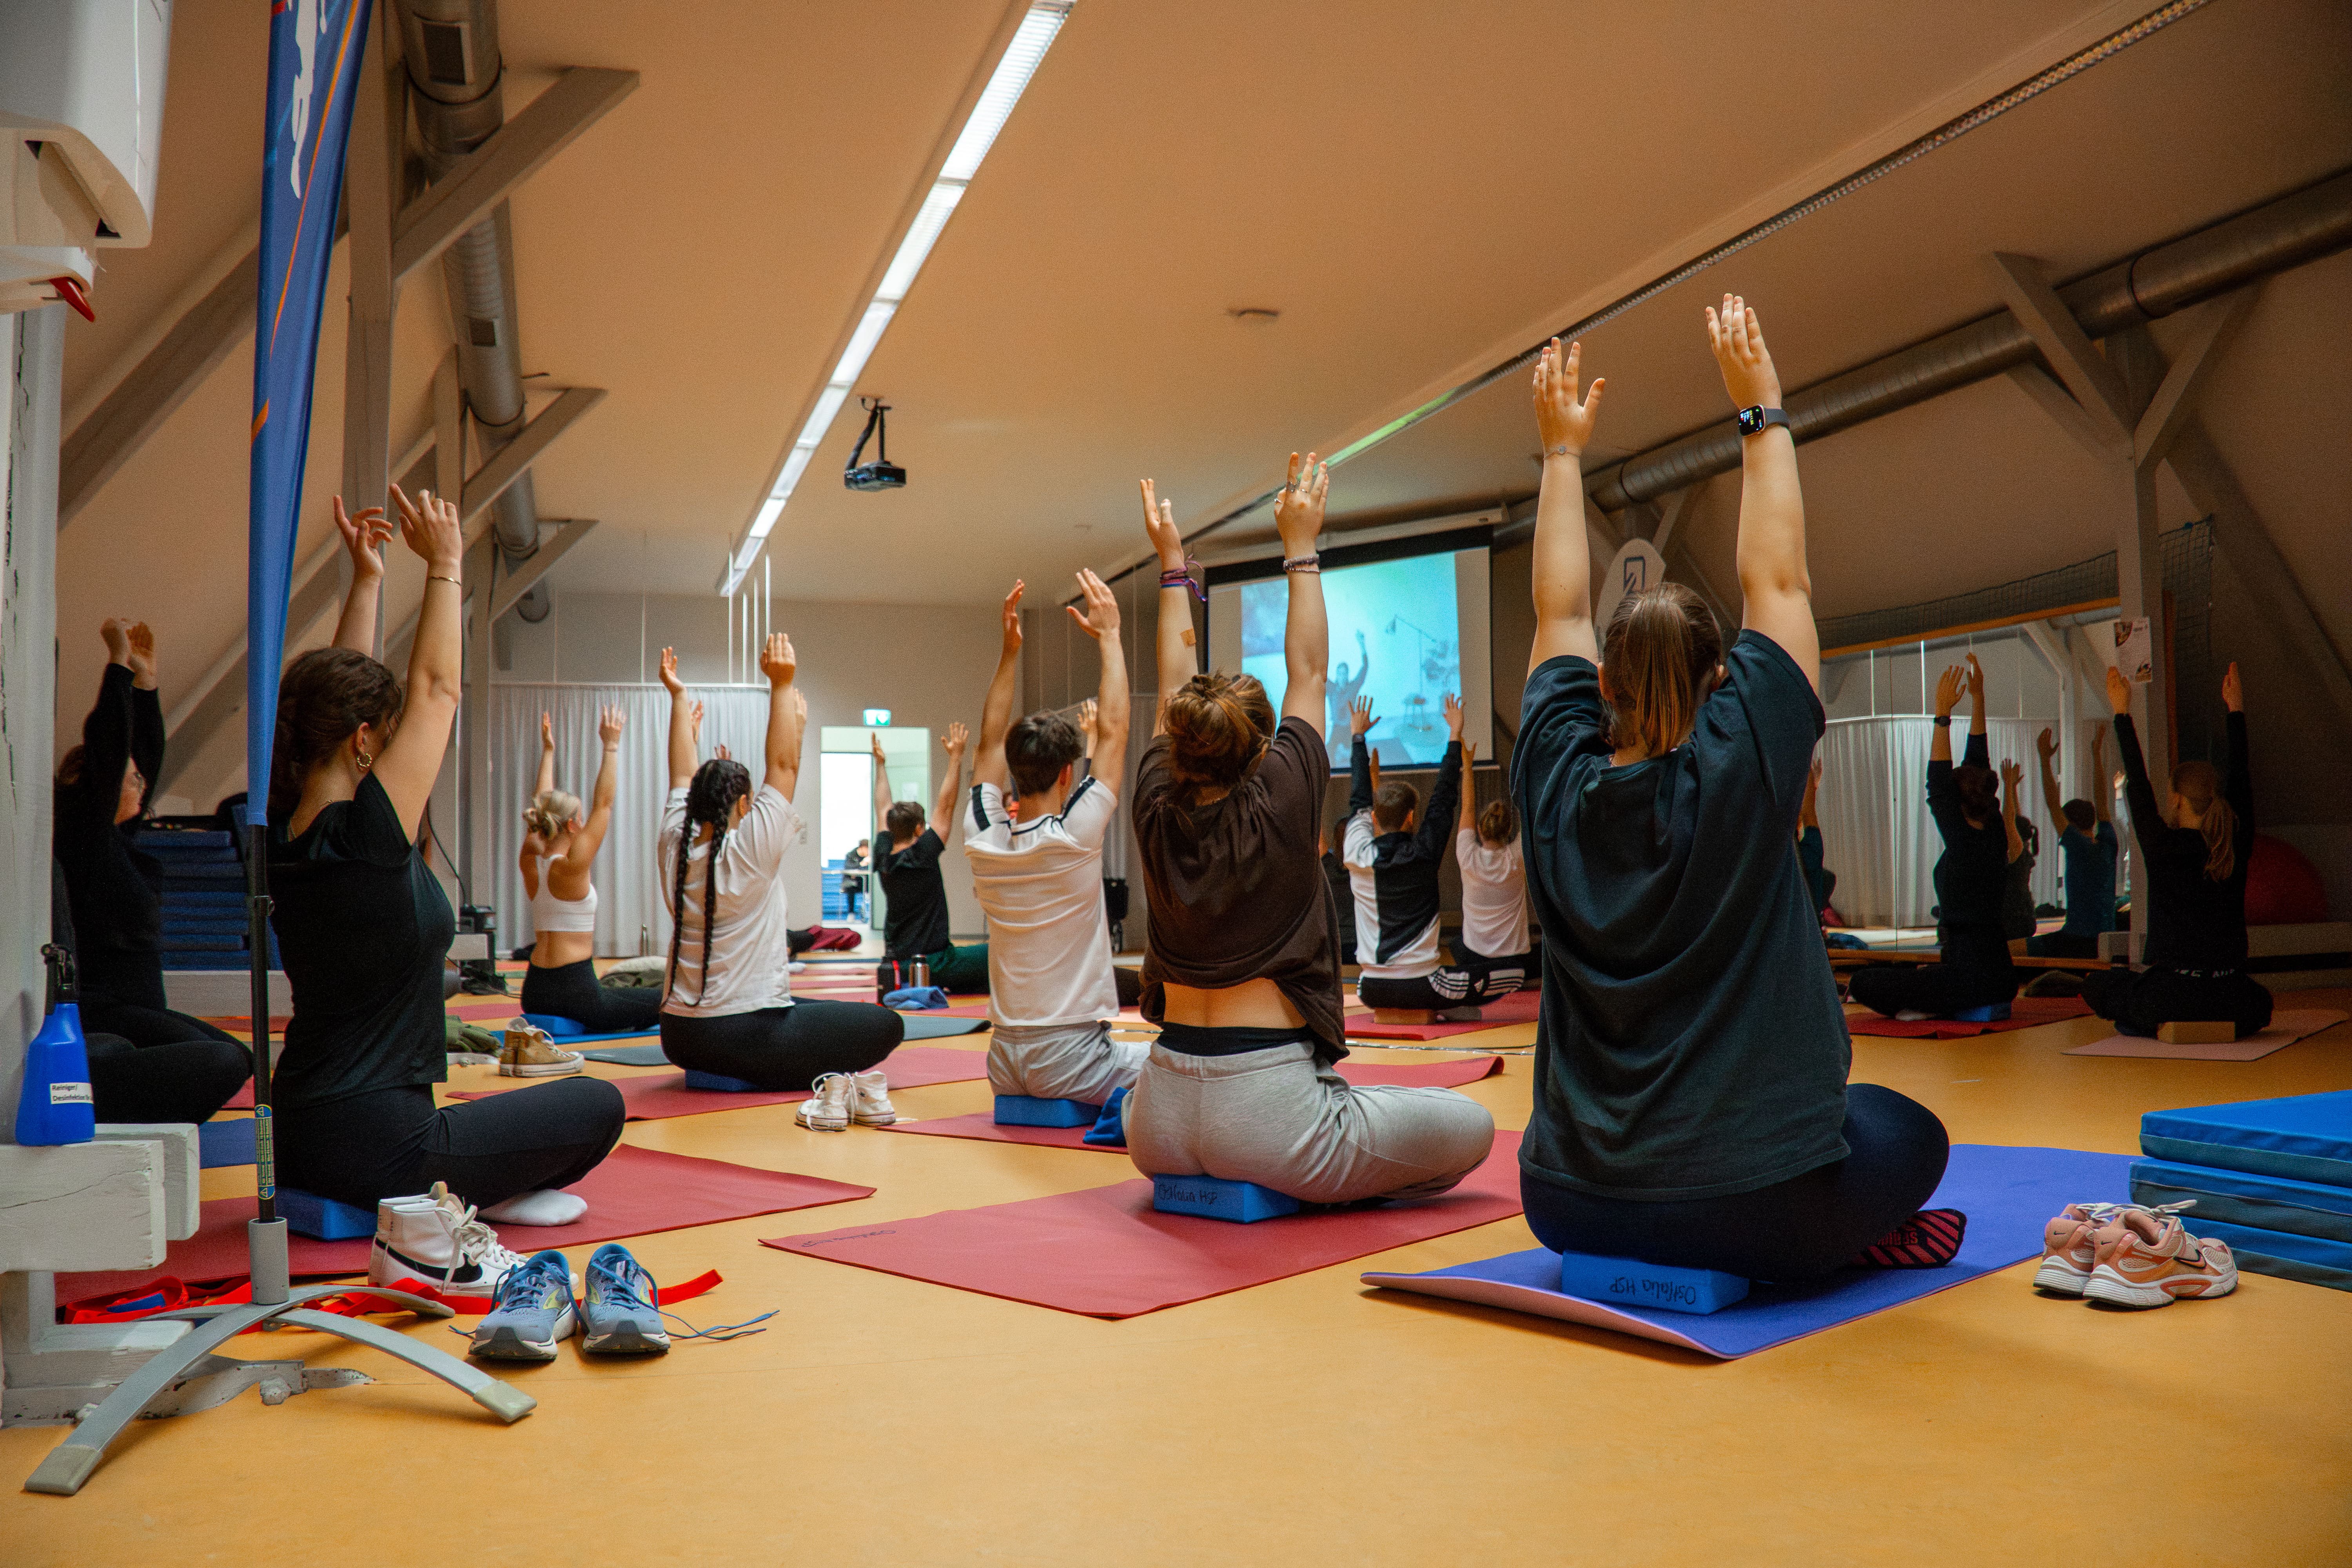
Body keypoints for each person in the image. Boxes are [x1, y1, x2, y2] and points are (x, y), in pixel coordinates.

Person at [1512, 304, 1951, 1282]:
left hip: (1568, 1202)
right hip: (1753, 1211)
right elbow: (1780, 580)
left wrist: (1557, 456)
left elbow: (1557, 609)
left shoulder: (1553, 778)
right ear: (1721, 680)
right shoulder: (1747, 753)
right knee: (1909, 1128)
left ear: (1604, 691)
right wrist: (1760, 412)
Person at [1125, 456, 1495, 1205]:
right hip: (1268, 1116)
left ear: (1181, 739)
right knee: (1472, 1124)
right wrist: (1300, 545)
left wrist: (1173, 566)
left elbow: (1172, 683)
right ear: (1261, 752)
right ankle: (1314, 1167)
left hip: (1154, 1119)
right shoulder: (1283, 797)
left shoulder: (1155, 803)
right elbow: (1311, 672)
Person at [269, 487, 624, 1230]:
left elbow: (340, 700)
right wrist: (446, 566)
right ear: (365, 739)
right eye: (385, 733)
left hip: (300, 1129)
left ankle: (485, 1183)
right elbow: (437, 689)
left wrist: (368, 580)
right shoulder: (369, 834)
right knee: (599, 1103)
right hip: (381, 1148)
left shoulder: (285, 826)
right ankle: (486, 1191)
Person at [656, 639, 905, 1118]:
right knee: (885, 1024)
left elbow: (680, 774)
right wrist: (782, 684)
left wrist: (679, 697)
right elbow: (785, 766)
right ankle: (769, 1072)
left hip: (679, 1036)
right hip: (739, 1037)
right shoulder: (748, 852)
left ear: (692, 805)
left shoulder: (674, 845)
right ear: (744, 806)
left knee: (803, 1002)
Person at [53, 617, 250, 1122]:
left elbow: (146, 756)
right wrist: (117, 666)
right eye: (129, 777)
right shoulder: (84, 837)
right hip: (104, 1007)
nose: (141, 784)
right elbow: (110, 749)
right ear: (91, 782)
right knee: (222, 1060)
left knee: (241, 1058)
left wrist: (147, 682)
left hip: (138, 1008)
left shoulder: (120, 842)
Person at [965, 571, 1143, 1105]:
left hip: (1002, 1063)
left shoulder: (983, 837)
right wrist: (1110, 635)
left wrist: (1009, 652)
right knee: (1193, 1060)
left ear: (1015, 775)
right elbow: (1113, 731)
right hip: (1073, 1062)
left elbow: (990, 739)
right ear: (1069, 774)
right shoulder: (1075, 836)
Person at [2082, 663, 2272, 1038]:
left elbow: (2137, 784)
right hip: (2229, 994)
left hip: (2172, 993)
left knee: (2096, 986)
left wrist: (2122, 711)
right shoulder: (2235, 843)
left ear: (2176, 800)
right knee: (2262, 1004)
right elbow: (2241, 777)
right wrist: (2236, 710)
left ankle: (2145, 1021)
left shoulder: (2162, 845)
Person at [1847, 655, 2024, 1020]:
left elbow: (1938, 785)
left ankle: (1928, 1005)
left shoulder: (1962, 841)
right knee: (1913, 977)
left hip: (1968, 978)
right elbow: (1978, 765)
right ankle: (1929, 1000)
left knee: (1863, 983)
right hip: (2003, 976)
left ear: (1956, 805)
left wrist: (1942, 715)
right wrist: (1978, 699)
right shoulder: (1993, 832)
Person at [1343, 693, 1515, 1015]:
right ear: (1411, 818)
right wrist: (1454, 735)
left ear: (1375, 820)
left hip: (1369, 988)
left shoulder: (1356, 853)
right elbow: (1442, 802)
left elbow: (1359, 802)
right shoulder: (1423, 853)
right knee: (1514, 974)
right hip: (1421, 985)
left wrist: (1358, 738)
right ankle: (1450, 1009)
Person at [515, 706, 661, 1034]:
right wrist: (611, 747)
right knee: (668, 999)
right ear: (571, 825)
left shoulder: (532, 861)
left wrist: (549, 751)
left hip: (535, 989)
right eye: (579, 819)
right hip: (576, 993)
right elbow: (604, 805)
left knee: (626, 996)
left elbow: (542, 804)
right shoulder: (570, 869)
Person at [871, 730, 989, 995]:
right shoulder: (923, 855)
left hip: (898, 966)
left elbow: (882, 807)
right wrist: (956, 758)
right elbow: (946, 805)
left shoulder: (883, 855)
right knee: (997, 951)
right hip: (933, 964)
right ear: (918, 829)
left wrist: (880, 765)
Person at [2026, 724, 2118, 958]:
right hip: (2107, 938)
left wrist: (2045, 760)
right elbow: (2102, 799)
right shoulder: (2109, 843)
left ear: (2071, 824)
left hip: (2078, 940)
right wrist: (2096, 755)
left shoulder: (2079, 847)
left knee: (2012, 950)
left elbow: (2052, 803)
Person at [1453, 737, 1535, 996]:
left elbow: (1467, 807)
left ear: (1479, 829)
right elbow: (1530, 810)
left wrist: (1467, 765)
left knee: (1455, 946)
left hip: (1474, 960)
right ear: (1510, 830)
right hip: (1515, 963)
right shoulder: (1517, 858)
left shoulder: (1467, 855)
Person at [1324, 628, 1370, 766]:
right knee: (1328, 751)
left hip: (1351, 728)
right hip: (1337, 728)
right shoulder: (1331, 688)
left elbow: (1365, 668)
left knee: (1359, 755)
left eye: (1345, 674)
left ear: (1348, 675)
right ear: (1336, 675)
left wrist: (1362, 645)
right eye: (1340, 674)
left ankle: (1346, 752)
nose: (1342, 677)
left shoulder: (1353, 687)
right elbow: (1319, 671)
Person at [842, 837, 872, 921]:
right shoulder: (851, 855)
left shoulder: (870, 858)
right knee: (851, 890)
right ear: (863, 848)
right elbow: (848, 868)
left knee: (872, 888)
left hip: (865, 882)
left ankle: (867, 910)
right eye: (868, 849)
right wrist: (861, 864)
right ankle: (851, 913)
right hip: (852, 883)